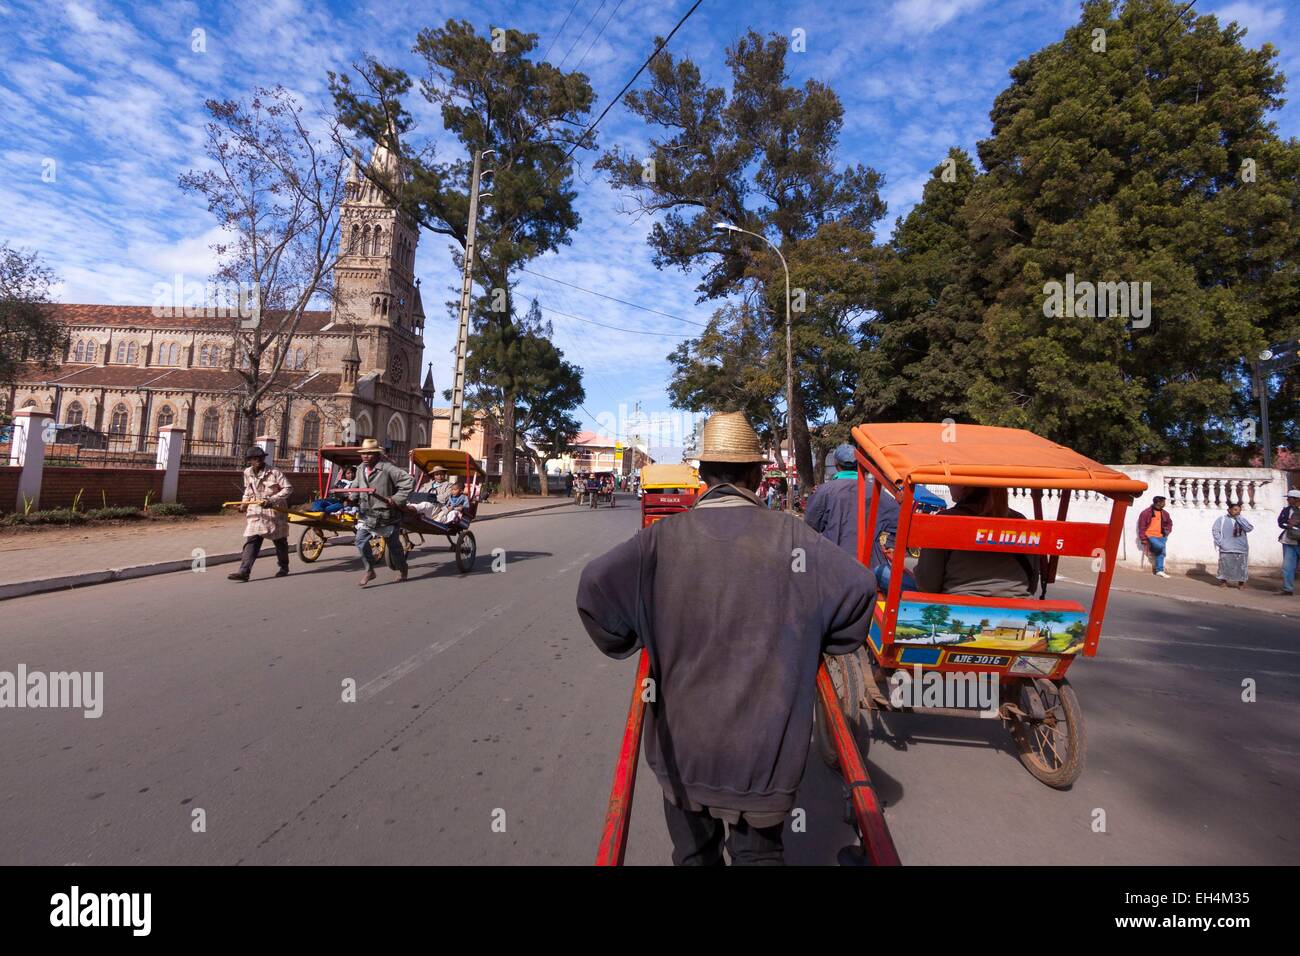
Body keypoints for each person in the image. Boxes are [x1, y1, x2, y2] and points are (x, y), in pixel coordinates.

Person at [577, 412, 875, 866]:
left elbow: (595, 589)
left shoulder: (659, 541)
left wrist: (632, 634)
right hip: (766, 756)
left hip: (685, 751)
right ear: (756, 476)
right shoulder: (795, 538)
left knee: (694, 855)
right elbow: (858, 591)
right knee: (760, 857)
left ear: (702, 474)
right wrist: (819, 636)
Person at [913, 485, 1039, 598]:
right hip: (1019, 608)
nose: (948, 484)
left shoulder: (945, 521)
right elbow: (1032, 585)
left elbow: (927, 586)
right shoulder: (1021, 520)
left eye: (952, 480)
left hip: (959, 607)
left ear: (964, 486)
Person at [804, 444, 902, 586]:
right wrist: (888, 544)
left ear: (836, 464)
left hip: (831, 568)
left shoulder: (824, 491)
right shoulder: (878, 493)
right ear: (860, 464)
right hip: (871, 568)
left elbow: (809, 528)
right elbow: (899, 524)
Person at [351, 438, 414, 587]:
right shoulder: (360, 468)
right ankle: (370, 570)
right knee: (360, 541)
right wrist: (351, 495)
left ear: (377, 455)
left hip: (387, 515)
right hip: (367, 514)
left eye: (370, 454)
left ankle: (403, 569)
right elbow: (356, 484)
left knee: (394, 547)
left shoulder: (387, 468)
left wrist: (395, 499)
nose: (366, 457)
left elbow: (408, 481)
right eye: (364, 454)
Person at [228, 447, 292, 582]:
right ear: (250, 461)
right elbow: (248, 491)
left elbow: (288, 488)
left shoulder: (274, 472)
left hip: (275, 510)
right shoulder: (247, 472)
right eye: (255, 458)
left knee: (279, 540)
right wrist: (243, 505)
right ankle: (244, 571)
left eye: (261, 458)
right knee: (252, 540)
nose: (259, 460)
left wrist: (272, 499)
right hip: (256, 511)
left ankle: (283, 567)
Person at [1212, 501, 1253, 589]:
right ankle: (1223, 582)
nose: (1237, 512)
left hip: (1241, 547)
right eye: (1235, 510)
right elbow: (1215, 530)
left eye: (1239, 510)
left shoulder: (1242, 519)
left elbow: (1249, 528)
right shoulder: (1222, 519)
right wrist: (1221, 542)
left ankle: (1241, 583)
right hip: (1227, 547)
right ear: (1229, 510)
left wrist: (1240, 519)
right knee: (1225, 566)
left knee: (1241, 566)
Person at [1136, 495, 1173, 579]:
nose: (1164, 504)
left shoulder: (1165, 513)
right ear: (1158, 503)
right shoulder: (1146, 513)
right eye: (1163, 502)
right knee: (1161, 548)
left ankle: (1159, 570)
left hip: (1161, 536)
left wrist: (1167, 531)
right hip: (1150, 535)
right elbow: (1141, 526)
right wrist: (1143, 538)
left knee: (1161, 552)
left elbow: (1169, 523)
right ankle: (1152, 549)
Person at [1278, 489, 1300, 596]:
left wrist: (1297, 523)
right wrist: (1288, 524)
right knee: (1287, 567)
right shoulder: (1286, 510)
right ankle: (1288, 588)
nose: (1288, 500)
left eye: (1290, 498)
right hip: (1288, 541)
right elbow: (1280, 522)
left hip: (1298, 541)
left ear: (1296, 499)